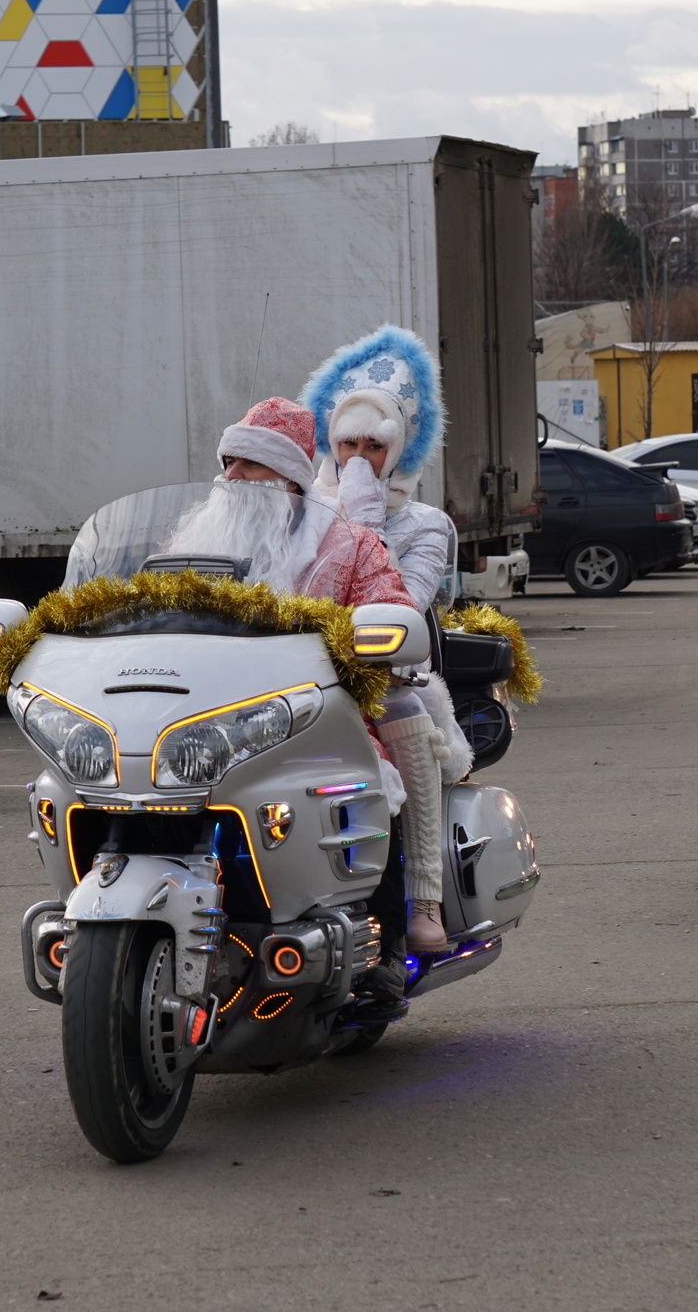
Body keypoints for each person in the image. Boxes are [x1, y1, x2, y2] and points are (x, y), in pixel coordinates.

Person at [303, 328, 473, 955]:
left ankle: (421, 901)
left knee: (405, 721)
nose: (357, 456)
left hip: (388, 677)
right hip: (298, 673)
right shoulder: (299, 509)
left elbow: (402, 602)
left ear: (398, 450)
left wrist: (363, 512)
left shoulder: (428, 525)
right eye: (347, 442)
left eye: (374, 446)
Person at [168, 396, 412, 608]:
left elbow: (390, 613)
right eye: (230, 462)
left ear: (291, 480)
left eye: (251, 464)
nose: (232, 476)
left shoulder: (353, 547)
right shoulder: (191, 542)